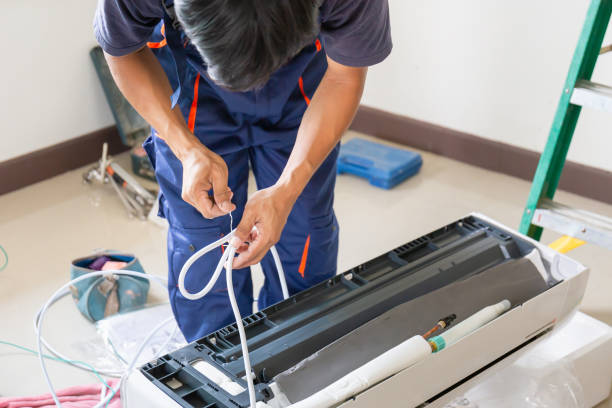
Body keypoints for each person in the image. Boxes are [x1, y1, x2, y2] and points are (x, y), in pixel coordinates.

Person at [94, 0, 392, 342]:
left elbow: (343, 77)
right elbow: (121, 50)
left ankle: (298, 350)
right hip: (192, 99)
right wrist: (185, 149)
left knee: (304, 231)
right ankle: (219, 364)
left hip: (304, 96)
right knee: (204, 244)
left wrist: (287, 188)